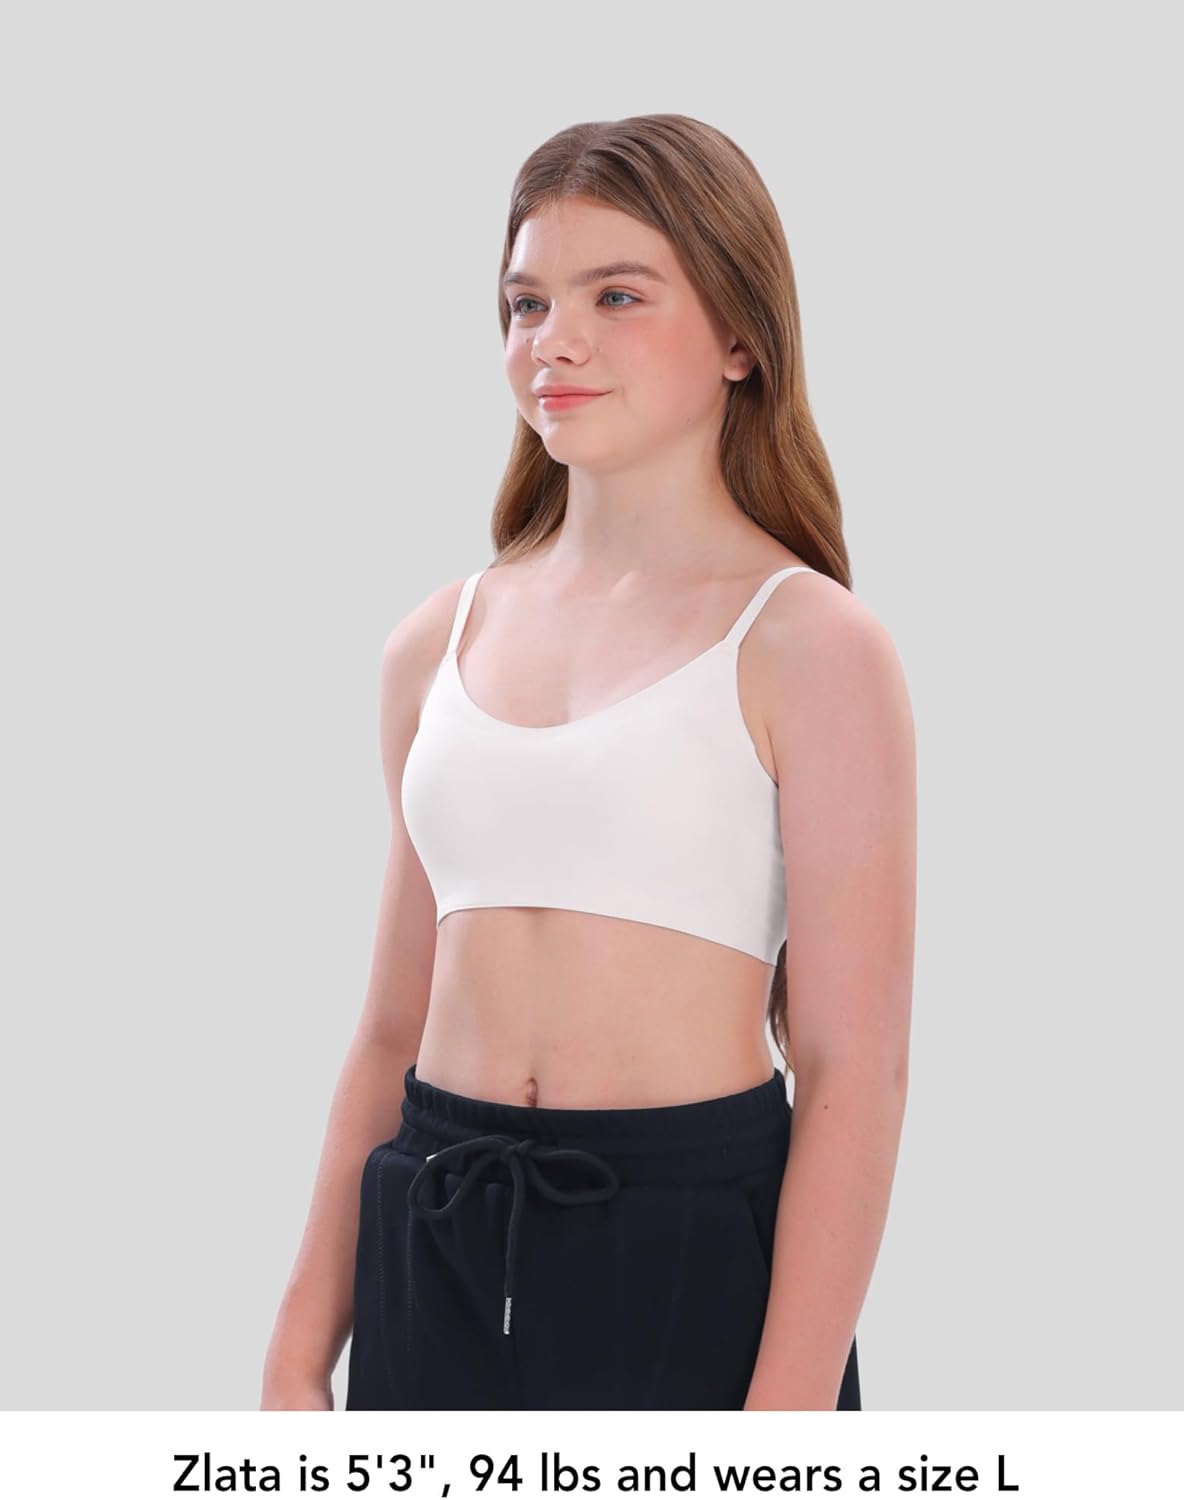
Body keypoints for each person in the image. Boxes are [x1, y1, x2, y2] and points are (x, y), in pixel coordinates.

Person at [261, 113, 915, 1412]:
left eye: (616, 296)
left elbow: (855, 1069)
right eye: (526, 302)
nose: (552, 341)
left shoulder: (809, 645)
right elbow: (389, 1030)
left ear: (739, 337)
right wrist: (293, 1354)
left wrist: (784, 1427)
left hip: (686, 1242)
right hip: (431, 1227)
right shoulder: (434, 644)